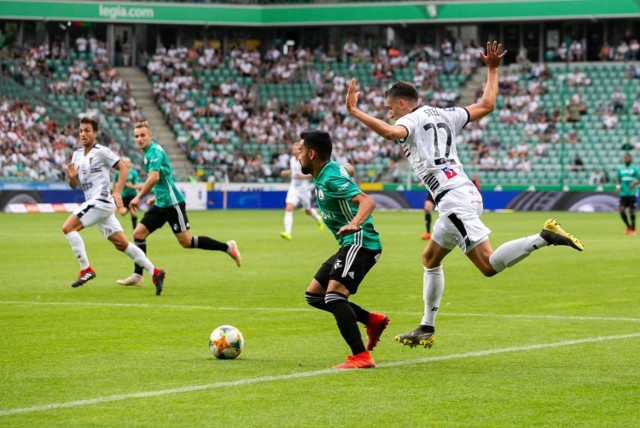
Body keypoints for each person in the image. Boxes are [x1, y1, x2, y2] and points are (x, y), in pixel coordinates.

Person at [346, 41, 584, 349]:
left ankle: (544, 236)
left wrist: (354, 110)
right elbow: (487, 105)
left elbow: (391, 133)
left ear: (403, 104)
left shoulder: (409, 120)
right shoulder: (446, 113)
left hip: (453, 198)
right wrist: (493, 70)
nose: (389, 113)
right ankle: (426, 327)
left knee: (487, 266)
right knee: (430, 258)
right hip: (461, 192)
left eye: (390, 108)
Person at [298, 129, 388, 369]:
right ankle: (372, 320)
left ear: (312, 153)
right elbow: (347, 167)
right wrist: (348, 171)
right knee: (314, 296)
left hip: (360, 241)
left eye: (300, 150)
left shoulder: (331, 179)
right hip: (349, 244)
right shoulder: (330, 170)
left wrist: (354, 223)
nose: (298, 156)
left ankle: (361, 356)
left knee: (334, 295)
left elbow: (368, 201)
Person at [116, 121, 241, 291]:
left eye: (143, 135)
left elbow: (153, 178)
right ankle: (138, 276)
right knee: (138, 233)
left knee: (186, 242)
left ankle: (227, 247)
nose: (139, 139)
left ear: (150, 136)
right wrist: (155, 196)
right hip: (161, 203)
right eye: (136, 136)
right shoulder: (147, 154)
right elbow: (162, 179)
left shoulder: (155, 152)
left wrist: (138, 197)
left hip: (173, 203)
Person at [63, 117, 166, 292]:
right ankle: (155, 271)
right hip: (96, 203)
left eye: (87, 130)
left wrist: (117, 191)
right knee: (122, 244)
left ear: (95, 133)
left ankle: (85, 269)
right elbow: (73, 185)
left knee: (68, 228)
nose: (83, 134)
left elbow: (123, 168)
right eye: (81, 131)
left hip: (101, 200)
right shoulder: (77, 155)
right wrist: (72, 177)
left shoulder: (102, 151)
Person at [280, 140, 324, 241]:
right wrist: (287, 173)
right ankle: (287, 232)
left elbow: (314, 172)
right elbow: (294, 171)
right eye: (293, 149)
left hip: (304, 190)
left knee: (308, 211)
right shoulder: (292, 160)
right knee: (288, 207)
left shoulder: (306, 160)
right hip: (294, 189)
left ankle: (318, 218)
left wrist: (304, 176)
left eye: (296, 149)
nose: (294, 151)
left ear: (300, 150)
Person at [113, 157, 141, 230]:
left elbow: (138, 186)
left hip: (132, 195)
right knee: (122, 213)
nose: (127, 164)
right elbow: (115, 183)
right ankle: (129, 207)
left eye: (128, 162)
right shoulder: (118, 172)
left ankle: (134, 229)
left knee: (133, 213)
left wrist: (131, 186)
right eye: (125, 162)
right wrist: (114, 192)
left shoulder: (134, 173)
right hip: (123, 195)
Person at [617, 153, 640, 235]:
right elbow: (619, 180)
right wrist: (618, 187)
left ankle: (633, 229)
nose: (626, 159)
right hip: (623, 193)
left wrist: (634, 184)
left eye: (627, 158)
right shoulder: (620, 169)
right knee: (622, 210)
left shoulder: (634, 168)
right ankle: (628, 226)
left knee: (631, 211)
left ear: (631, 159)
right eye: (625, 158)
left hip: (632, 193)